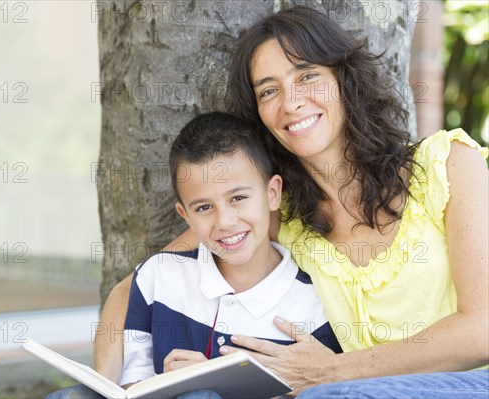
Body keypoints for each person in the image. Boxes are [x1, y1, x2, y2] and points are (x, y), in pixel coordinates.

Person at [94, 5, 489, 398]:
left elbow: (482, 331)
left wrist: (331, 372)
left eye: (307, 76)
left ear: (343, 78)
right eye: (269, 90)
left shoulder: (448, 164)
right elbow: (130, 290)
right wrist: (108, 386)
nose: (291, 102)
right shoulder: (278, 212)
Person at [47, 112, 341, 399]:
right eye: (203, 208)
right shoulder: (158, 276)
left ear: (273, 193)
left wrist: (216, 380)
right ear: (185, 216)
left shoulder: (311, 305)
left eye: (238, 198)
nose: (225, 221)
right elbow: (132, 384)